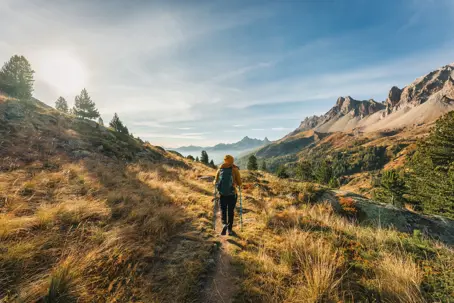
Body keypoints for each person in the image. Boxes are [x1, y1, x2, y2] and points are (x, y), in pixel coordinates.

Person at [214, 155, 242, 236]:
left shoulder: (220, 169)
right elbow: (240, 183)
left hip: (222, 194)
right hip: (232, 194)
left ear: (225, 160)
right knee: (230, 211)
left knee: (223, 210)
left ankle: (224, 224)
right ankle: (229, 230)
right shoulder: (235, 169)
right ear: (232, 160)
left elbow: (215, 182)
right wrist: (235, 183)